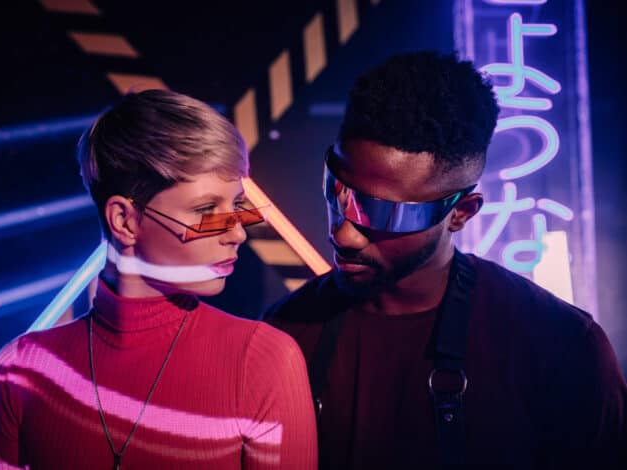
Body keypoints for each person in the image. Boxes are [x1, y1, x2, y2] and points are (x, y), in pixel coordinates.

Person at [263, 51, 627, 469]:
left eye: (385, 213)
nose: (341, 231)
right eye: (338, 190)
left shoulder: (560, 347)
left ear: (461, 212)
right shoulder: (283, 334)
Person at [0, 89, 317, 469]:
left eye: (237, 205)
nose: (237, 232)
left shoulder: (264, 361)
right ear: (125, 221)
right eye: (207, 209)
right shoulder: (22, 370)